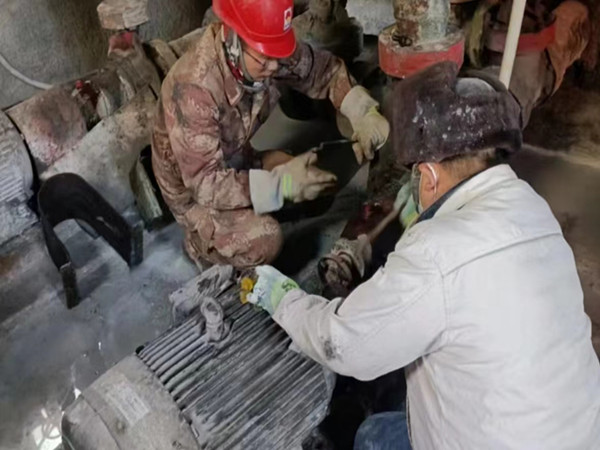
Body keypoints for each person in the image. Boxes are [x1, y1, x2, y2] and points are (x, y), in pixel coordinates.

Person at [246, 62, 600, 449]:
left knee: (372, 436)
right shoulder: (534, 208)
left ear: (429, 176)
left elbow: (343, 345)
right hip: (576, 433)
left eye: (414, 174)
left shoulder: (437, 253)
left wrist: (284, 300)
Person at [151, 0, 389, 269]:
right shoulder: (194, 88)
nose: (276, 66)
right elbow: (206, 184)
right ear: (233, 41)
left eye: (278, 54)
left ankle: (261, 206)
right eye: (265, 59)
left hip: (233, 157)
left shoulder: (264, 49)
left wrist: (361, 109)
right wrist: (279, 186)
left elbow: (324, 71)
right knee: (265, 240)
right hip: (195, 191)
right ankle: (199, 242)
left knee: (319, 182)